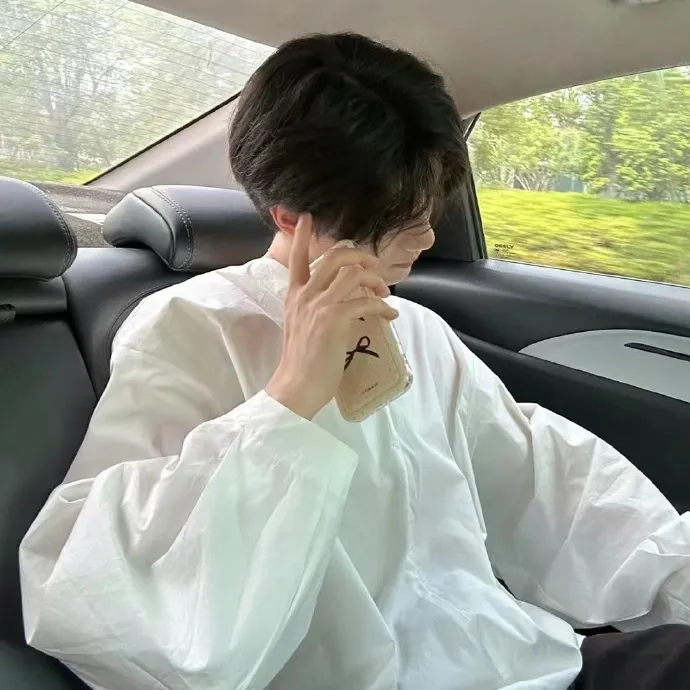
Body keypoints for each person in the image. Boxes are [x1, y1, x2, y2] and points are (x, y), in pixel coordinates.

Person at [19, 32, 690, 690]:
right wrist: (290, 400)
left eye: (430, 209)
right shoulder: (190, 327)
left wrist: (674, 576)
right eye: (399, 219)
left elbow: (542, 476)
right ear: (291, 216)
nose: (425, 237)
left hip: (523, 658)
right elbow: (117, 588)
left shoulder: (418, 331)